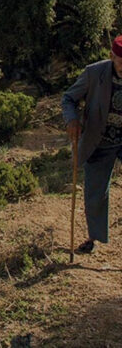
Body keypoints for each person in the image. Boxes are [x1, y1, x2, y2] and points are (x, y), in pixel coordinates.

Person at [62, 35, 122, 254]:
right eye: (120, 59)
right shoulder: (94, 73)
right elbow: (69, 98)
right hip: (100, 140)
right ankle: (93, 238)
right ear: (111, 56)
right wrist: (72, 120)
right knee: (96, 193)